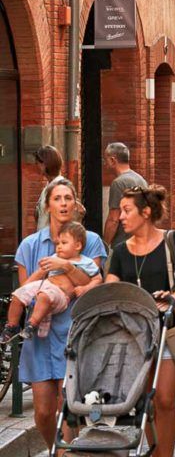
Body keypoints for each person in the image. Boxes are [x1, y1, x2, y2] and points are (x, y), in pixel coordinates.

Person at [105, 185, 175, 457]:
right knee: (146, 401)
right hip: (136, 337)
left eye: (127, 210)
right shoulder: (121, 252)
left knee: (164, 399)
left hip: (169, 332)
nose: (120, 217)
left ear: (145, 212)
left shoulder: (172, 240)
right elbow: (109, 289)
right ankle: (155, 450)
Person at [14, 180, 107, 449]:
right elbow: (25, 291)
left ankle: (68, 452)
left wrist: (64, 264)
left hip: (75, 333)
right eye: (58, 198)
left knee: (68, 407)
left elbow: (90, 286)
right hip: (40, 334)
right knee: (43, 412)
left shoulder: (89, 241)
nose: (64, 203)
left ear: (75, 204)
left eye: (68, 198)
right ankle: (59, 452)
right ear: (48, 205)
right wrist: (45, 273)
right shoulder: (30, 246)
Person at [2, 222, 99, 343]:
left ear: (78, 245)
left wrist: (85, 288)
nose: (58, 246)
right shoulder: (54, 257)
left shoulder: (86, 262)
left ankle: (31, 325)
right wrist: (42, 269)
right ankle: (12, 326)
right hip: (46, 284)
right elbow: (36, 278)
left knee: (43, 296)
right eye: (57, 243)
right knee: (17, 295)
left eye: (64, 243)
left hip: (60, 294)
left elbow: (98, 279)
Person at [103, 142, 147, 247]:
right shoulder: (141, 180)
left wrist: (104, 246)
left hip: (123, 244)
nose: (105, 164)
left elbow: (113, 219)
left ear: (113, 160)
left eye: (106, 160)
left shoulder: (118, 183)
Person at [34, 147, 64, 230]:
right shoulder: (48, 186)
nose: (36, 166)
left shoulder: (60, 187)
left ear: (44, 164)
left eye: (37, 163)